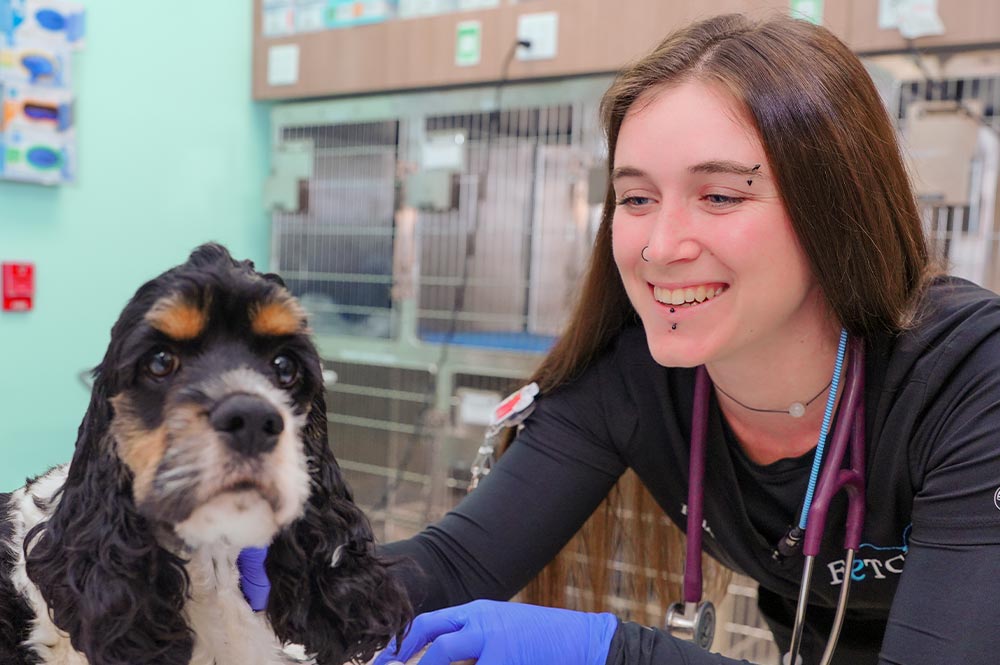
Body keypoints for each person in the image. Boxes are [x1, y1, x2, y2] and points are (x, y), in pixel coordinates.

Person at [241, 13, 1000, 665]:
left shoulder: (972, 377)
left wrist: (613, 651)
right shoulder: (636, 377)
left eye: (721, 195)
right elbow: (456, 560)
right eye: (636, 197)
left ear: (836, 203)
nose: (661, 244)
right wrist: (301, 575)